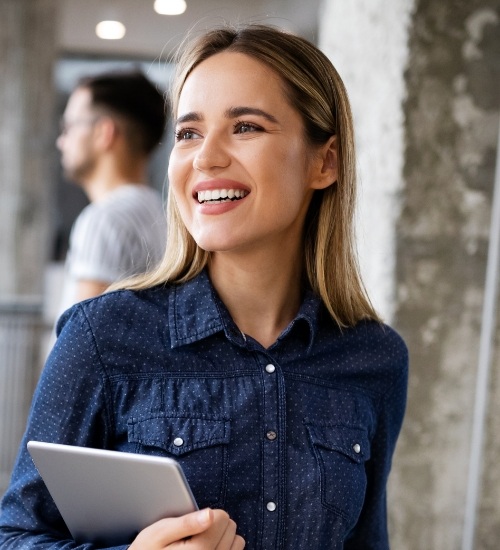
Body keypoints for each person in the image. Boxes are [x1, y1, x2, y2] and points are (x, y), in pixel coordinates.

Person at [0, 24, 408, 549]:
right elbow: (15, 535)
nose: (205, 157)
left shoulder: (375, 358)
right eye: (189, 133)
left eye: (246, 128)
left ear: (323, 161)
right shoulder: (103, 336)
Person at [56, 70, 167, 312]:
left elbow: (78, 345)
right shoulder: (160, 214)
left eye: (68, 127)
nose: (61, 141)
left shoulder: (104, 220)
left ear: (104, 132)